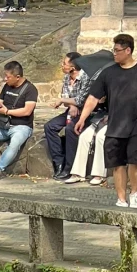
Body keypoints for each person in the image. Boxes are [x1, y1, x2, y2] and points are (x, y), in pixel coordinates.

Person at [69, 34, 137, 208]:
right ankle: (121, 198)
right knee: (117, 164)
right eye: (114, 50)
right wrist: (82, 119)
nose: (114, 54)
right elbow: (92, 98)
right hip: (115, 125)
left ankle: (134, 193)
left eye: (117, 50)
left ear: (128, 50)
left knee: (135, 162)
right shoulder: (108, 73)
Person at [44, 52, 89, 180]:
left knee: (70, 129)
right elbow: (65, 96)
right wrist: (71, 105)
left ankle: (70, 167)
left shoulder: (85, 78)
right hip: (70, 111)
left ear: (73, 67)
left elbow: (81, 99)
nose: (62, 65)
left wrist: (70, 103)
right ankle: (59, 162)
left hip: (84, 112)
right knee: (50, 126)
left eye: (65, 63)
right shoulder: (66, 78)